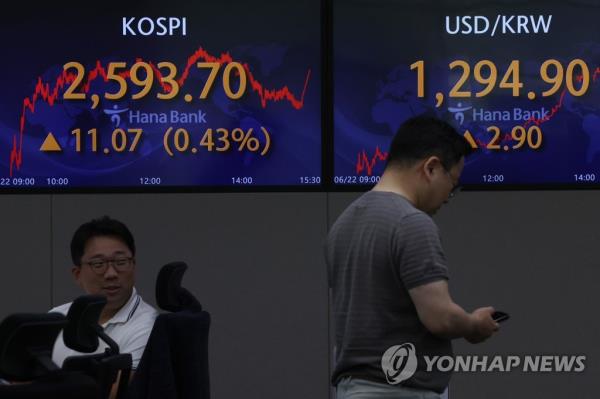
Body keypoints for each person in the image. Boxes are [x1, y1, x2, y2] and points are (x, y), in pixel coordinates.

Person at [326, 115, 499, 398]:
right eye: (452, 184)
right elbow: (440, 318)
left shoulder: (342, 225)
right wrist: (473, 325)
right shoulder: (411, 223)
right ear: (431, 168)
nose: (447, 196)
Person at [50, 216, 158, 374]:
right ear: (77, 274)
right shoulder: (57, 316)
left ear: (133, 266)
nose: (111, 274)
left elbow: (114, 392)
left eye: (120, 262)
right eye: (98, 264)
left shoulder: (148, 326)